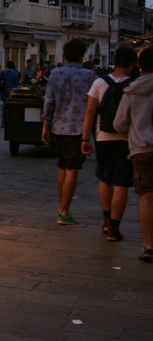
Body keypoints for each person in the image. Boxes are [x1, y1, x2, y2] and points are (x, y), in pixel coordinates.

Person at [81, 46, 138, 241]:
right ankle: (114, 227)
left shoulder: (99, 82)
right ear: (131, 65)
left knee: (104, 179)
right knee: (121, 183)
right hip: (126, 139)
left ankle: (106, 221)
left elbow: (89, 112)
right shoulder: (135, 85)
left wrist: (84, 138)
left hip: (102, 137)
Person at [41, 39, 96, 225]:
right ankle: (64, 212)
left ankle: (62, 207)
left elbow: (49, 101)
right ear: (82, 56)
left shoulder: (56, 73)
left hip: (58, 127)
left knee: (62, 165)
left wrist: (45, 126)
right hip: (79, 129)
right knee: (73, 168)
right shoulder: (89, 76)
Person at [113, 46, 153, 262]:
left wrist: (133, 132)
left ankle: (148, 245)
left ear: (139, 66)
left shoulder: (132, 91)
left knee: (146, 197)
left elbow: (119, 123)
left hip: (141, 148)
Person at [0, 61, 21, 126]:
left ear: (6, 66)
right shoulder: (15, 74)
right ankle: (11, 121)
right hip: (12, 92)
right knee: (12, 107)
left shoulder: (3, 73)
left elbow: (0, 81)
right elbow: (16, 85)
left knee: (5, 107)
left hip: (4, 92)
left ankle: (4, 122)